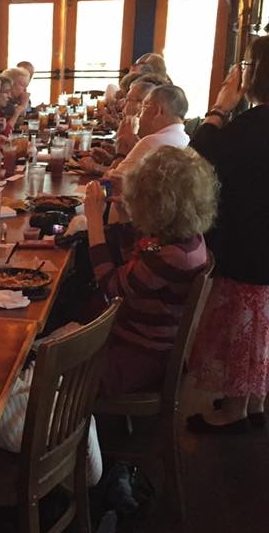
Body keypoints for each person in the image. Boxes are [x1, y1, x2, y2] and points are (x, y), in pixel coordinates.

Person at [84, 146, 215, 396]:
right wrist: (125, 219)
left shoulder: (175, 256)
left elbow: (112, 287)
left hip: (142, 355)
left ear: (159, 204)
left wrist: (94, 223)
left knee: (51, 370)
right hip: (140, 340)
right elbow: (135, 268)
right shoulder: (184, 238)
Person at [188, 45, 269, 432]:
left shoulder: (253, 124)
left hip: (249, 240)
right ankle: (252, 401)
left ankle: (235, 411)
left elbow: (195, 161)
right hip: (260, 239)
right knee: (262, 321)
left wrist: (220, 108)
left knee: (244, 321)